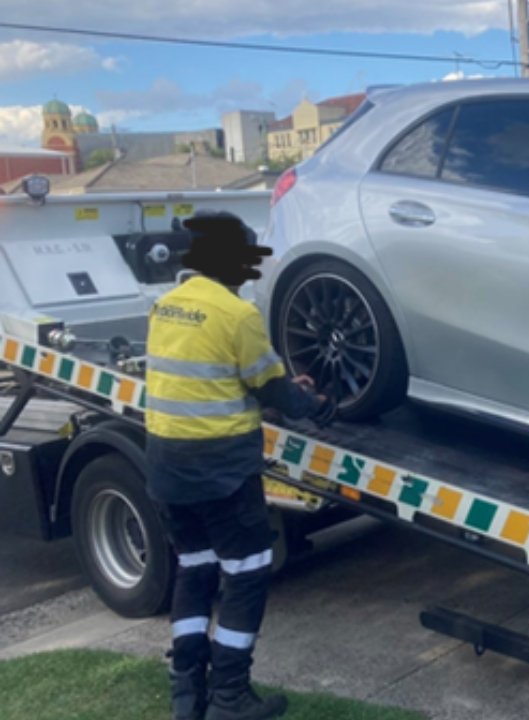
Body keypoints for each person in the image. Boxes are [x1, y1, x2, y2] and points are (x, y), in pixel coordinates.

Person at [146, 211, 332, 720]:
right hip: (221, 470)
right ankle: (229, 696)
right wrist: (310, 402)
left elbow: (207, 379)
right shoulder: (237, 314)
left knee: (195, 567)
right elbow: (271, 388)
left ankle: (187, 692)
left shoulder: (165, 306)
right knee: (247, 573)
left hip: (166, 466)